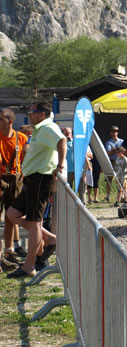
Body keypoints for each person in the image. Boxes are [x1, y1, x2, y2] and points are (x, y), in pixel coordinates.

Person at [6, 101, 66, 278]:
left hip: (41, 179)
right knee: (12, 214)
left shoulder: (48, 127)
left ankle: (29, 266)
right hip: (32, 180)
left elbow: (62, 140)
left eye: (33, 112)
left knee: (34, 224)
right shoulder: (40, 128)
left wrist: (60, 166)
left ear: (42, 114)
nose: (30, 115)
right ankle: (50, 239)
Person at [0, 109, 29, 272]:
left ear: (10, 122)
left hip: (16, 179)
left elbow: (26, 160)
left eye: (0, 119)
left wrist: (24, 177)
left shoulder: (21, 138)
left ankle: (9, 252)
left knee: (10, 217)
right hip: (0, 178)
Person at [104, 125, 124, 202]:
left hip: (120, 162)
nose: (114, 133)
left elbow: (123, 151)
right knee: (109, 179)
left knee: (120, 179)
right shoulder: (108, 142)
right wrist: (117, 150)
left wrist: (114, 150)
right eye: (112, 131)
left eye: (116, 131)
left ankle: (121, 195)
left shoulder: (122, 141)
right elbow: (108, 153)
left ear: (117, 132)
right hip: (111, 162)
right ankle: (107, 195)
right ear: (110, 133)